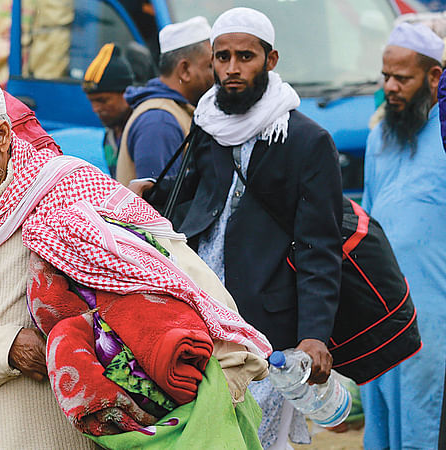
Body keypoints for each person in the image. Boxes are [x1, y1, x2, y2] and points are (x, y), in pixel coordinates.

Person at [0, 58, 270, 448]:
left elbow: (176, 274)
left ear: (1, 134)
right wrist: (6, 348)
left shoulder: (71, 188)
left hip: (79, 433)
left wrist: (232, 368)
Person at [149, 8, 343, 448]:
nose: (232, 69)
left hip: (267, 327)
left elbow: (319, 247)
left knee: (259, 439)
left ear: (270, 60)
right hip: (203, 317)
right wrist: (151, 197)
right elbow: (194, 200)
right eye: (222, 57)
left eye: (245, 57)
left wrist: (314, 335)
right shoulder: (208, 125)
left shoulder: (307, 141)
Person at [360, 22, 446, 450]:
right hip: (383, 312)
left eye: (403, 78)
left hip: (434, 314)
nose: (390, 87)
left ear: (434, 77)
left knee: (424, 422)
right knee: (381, 421)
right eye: (386, 76)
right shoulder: (379, 137)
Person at [116, 16, 214, 187]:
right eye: (210, 67)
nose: (220, 74)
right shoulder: (160, 121)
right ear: (184, 70)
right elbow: (157, 205)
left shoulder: (175, 110)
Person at [82, 43, 135, 176]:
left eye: (102, 100)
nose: (95, 109)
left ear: (126, 93)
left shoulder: (143, 128)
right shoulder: (111, 133)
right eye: (91, 101)